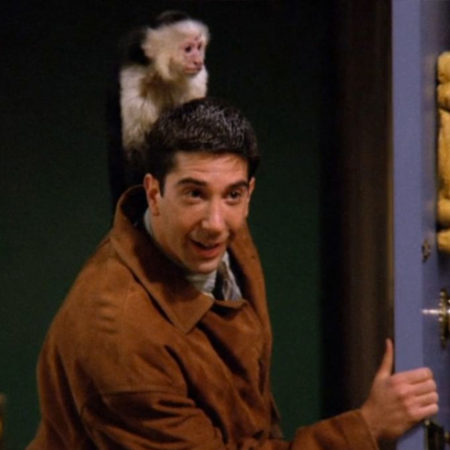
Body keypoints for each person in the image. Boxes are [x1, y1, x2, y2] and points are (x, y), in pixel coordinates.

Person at [28, 98, 438, 449]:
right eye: (194, 193)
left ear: (248, 193)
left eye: (233, 195)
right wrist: (366, 427)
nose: (215, 222)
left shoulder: (217, 237)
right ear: (154, 193)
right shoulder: (120, 334)